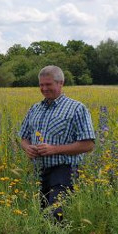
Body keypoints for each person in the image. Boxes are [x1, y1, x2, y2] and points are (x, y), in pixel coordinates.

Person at [19, 65, 95, 222]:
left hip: (64, 171)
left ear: (61, 83)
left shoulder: (76, 109)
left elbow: (88, 144)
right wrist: (28, 148)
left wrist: (54, 149)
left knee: (56, 217)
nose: (44, 89)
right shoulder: (35, 109)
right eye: (41, 85)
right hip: (37, 171)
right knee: (39, 217)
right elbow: (24, 137)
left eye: (48, 84)